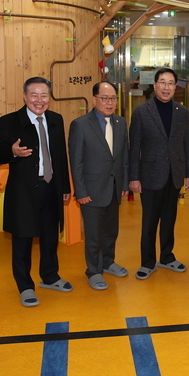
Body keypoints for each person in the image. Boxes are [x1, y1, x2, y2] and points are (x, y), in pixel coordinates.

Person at [0, 77, 71, 307]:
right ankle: (25, 286)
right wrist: (12, 152)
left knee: (50, 236)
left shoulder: (56, 119)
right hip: (23, 191)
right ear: (25, 96)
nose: (39, 100)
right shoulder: (9, 121)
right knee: (22, 239)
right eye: (34, 95)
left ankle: (50, 276)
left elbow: (60, 156)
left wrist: (65, 186)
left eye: (44, 95)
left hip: (51, 186)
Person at [128, 67, 189, 279]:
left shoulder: (182, 112)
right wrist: (134, 177)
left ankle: (167, 257)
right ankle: (147, 262)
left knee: (169, 219)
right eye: (163, 82)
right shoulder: (141, 112)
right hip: (150, 176)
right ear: (155, 85)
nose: (167, 87)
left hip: (174, 174)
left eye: (171, 83)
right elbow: (134, 148)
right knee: (149, 221)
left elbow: (186, 145)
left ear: (176, 87)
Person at [68, 82, 129, 291]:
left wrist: (124, 183)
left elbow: (124, 156)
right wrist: (81, 191)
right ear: (94, 100)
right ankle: (93, 271)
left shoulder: (120, 122)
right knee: (94, 235)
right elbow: (76, 162)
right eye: (104, 98)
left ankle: (108, 262)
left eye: (113, 98)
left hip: (114, 188)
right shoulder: (80, 125)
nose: (109, 103)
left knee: (111, 231)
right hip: (91, 191)